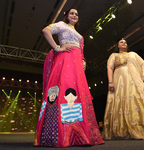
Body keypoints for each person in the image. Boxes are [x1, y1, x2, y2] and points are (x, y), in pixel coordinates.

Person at [33, 8, 104, 147]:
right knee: (64, 88)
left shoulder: (79, 34)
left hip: (76, 64)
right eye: (72, 13)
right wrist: (57, 47)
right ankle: (62, 132)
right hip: (64, 60)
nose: (74, 15)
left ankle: (79, 132)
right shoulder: (61, 25)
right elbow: (45, 31)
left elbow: (81, 50)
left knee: (79, 91)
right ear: (66, 16)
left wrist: (83, 61)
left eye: (77, 14)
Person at [102, 38, 144, 140]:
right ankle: (121, 131)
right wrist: (110, 82)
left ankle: (142, 128)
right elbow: (110, 68)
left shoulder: (133, 54)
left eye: (125, 42)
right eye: (121, 42)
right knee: (119, 102)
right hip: (119, 81)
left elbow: (143, 64)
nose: (124, 43)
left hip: (134, 81)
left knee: (136, 99)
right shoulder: (114, 55)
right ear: (117, 45)